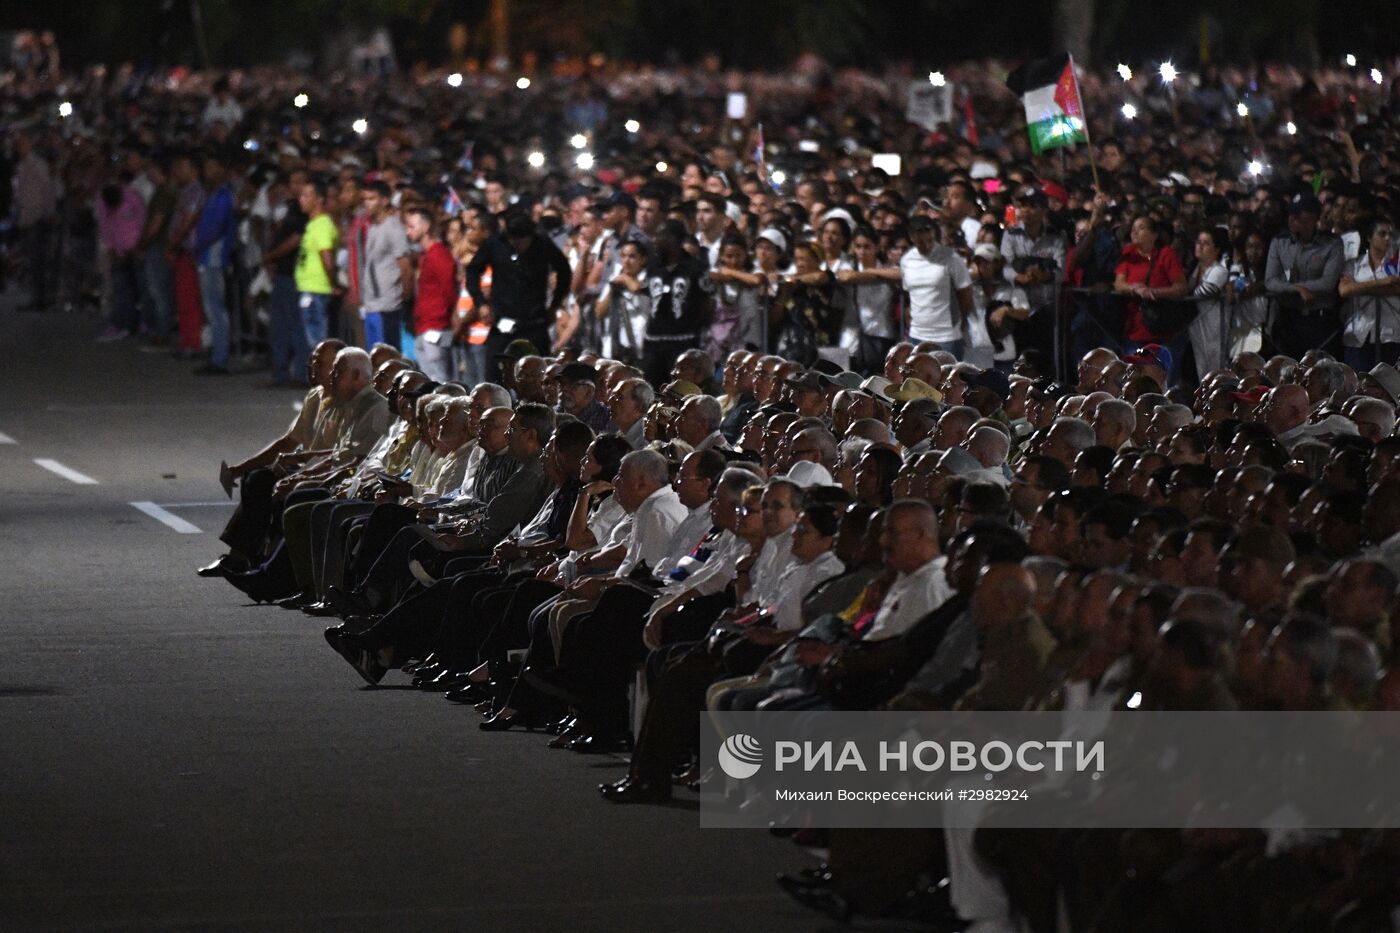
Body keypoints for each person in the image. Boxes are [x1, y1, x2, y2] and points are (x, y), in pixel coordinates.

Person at [466, 210, 572, 373]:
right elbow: (473, 271)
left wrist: (555, 303)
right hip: (502, 323)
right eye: (514, 241)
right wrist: (481, 303)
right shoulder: (495, 244)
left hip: (534, 323)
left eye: (522, 241)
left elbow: (564, 270)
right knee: (494, 376)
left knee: (539, 375)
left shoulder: (542, 244)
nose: (518, 246)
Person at [1265, 193, 1345, 359]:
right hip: (1287, 320)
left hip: (1319, 321)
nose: (1292, 219)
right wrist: (1297, 289)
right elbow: (1270, 281)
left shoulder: (1332, 243)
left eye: (1299, 214)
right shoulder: (1280, 242)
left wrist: (1300, 288)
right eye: (1291, 214)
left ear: (1314, 217)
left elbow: (1327, 283)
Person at [900, 215, 974, 356]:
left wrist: (960, 321)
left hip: (947, 336)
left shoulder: (950, 257)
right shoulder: (906, 260)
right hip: (917, 334)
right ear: (912, 237)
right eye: (921, 241)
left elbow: (965, 292)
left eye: (929, 240)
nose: (926, 244)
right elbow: (909, 294)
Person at [191, 154, 236, 375]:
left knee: (216, 308)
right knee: (212, 307)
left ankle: (220, 357)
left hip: (213, 258)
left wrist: (199, 245)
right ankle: (217, 353)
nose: (207, 171)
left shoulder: (223, 196)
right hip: (206, 257)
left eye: (211, 166)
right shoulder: (213, 195)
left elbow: (216, 227)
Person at [1339, 215, 1400, 370]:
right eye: (1382, 234)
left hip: (1391, 333)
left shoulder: (1396, 264)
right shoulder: (1354, 265)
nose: (1387, 238)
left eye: (1390, 235)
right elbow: (1345, 290)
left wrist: (1360, 287)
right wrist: (1384, 282)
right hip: (1359, 333)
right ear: (1369, 237)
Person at [357, 181, 412, 351]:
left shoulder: (393, 227)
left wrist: (405, 297)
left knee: (386, 356)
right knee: (373, 356)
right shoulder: (373, 226)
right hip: (371, 303)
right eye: (365, 199)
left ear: (385, 200)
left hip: (387, 303)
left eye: (372, 198)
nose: (368, 203)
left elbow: (405, 266)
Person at [294, 179, 340, 361]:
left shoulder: (322, 224)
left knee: (319, 340)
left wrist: (332, 283)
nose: (301, 199)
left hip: (317, 289)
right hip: (311, 288)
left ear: (319, 199)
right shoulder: (313, 224)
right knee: (314, 340)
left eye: (306, 195)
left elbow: (326, 256)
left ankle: (327, 380)